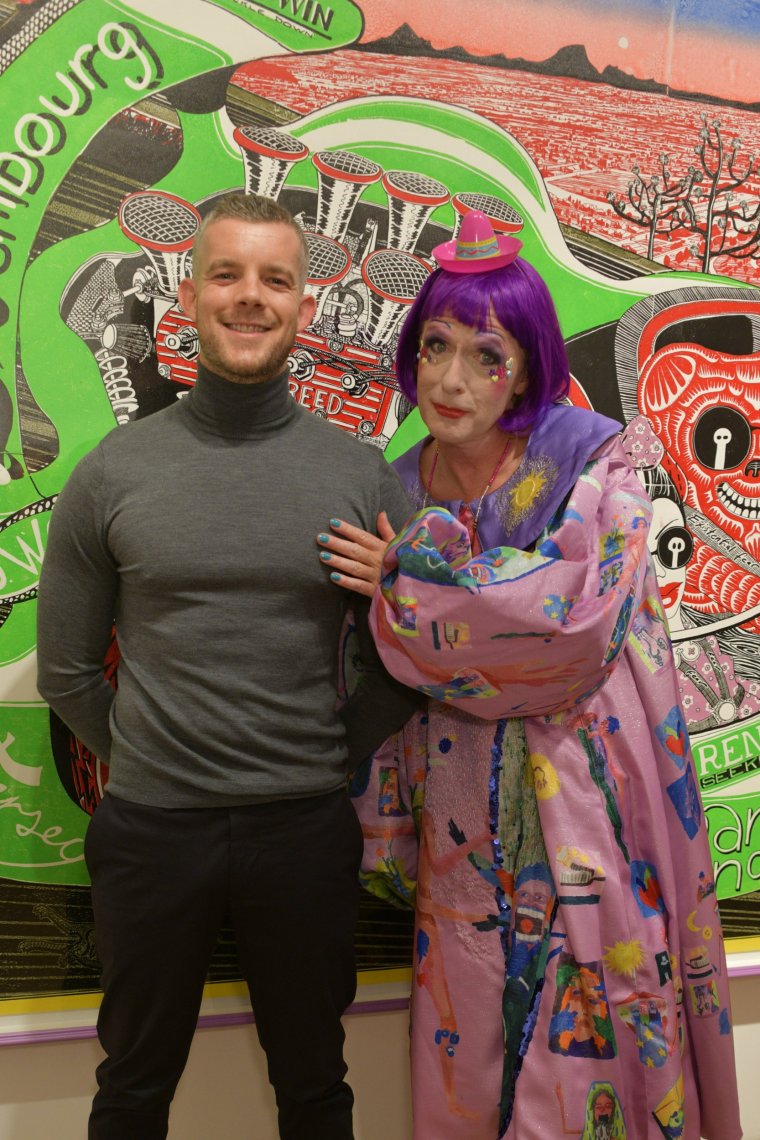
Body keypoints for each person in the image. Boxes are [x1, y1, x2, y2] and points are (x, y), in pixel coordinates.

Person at [317, 211, 742, 1139]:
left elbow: (570, 632)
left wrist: (410, 582)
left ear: (529, 364)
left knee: (589, 1081)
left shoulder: (596, 467)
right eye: (434, 347)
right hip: (461, 836)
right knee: (469, 1070)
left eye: (485, 355)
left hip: (590, 825)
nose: (451, 379)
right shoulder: (392, 485)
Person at [36, 192, 419, 1140]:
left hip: (303, 831)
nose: (251, 297)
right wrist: (146, 758)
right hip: (152, 833)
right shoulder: (113, 473)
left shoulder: (358, 473)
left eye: (275, 280)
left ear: (304, 307)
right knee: (131, 1091)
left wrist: (334, 760)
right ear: (190, 292)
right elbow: (67, 670)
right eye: (227, 274)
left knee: (316, 1092)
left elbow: (409, 652)